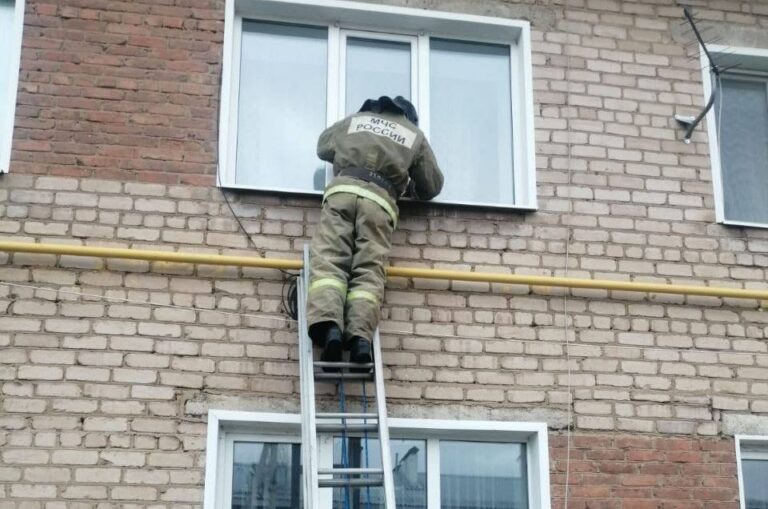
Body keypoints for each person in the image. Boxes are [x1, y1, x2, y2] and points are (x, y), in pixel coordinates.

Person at [306, 96, 443, 369]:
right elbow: (432, 185)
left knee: (330, 261)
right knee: (368, 271)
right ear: (409, 117)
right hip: (379, 204)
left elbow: (323, 147)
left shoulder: (355, 121)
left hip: (342, 193)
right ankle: (359, 340)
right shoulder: (413, 134)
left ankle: (329, 327)